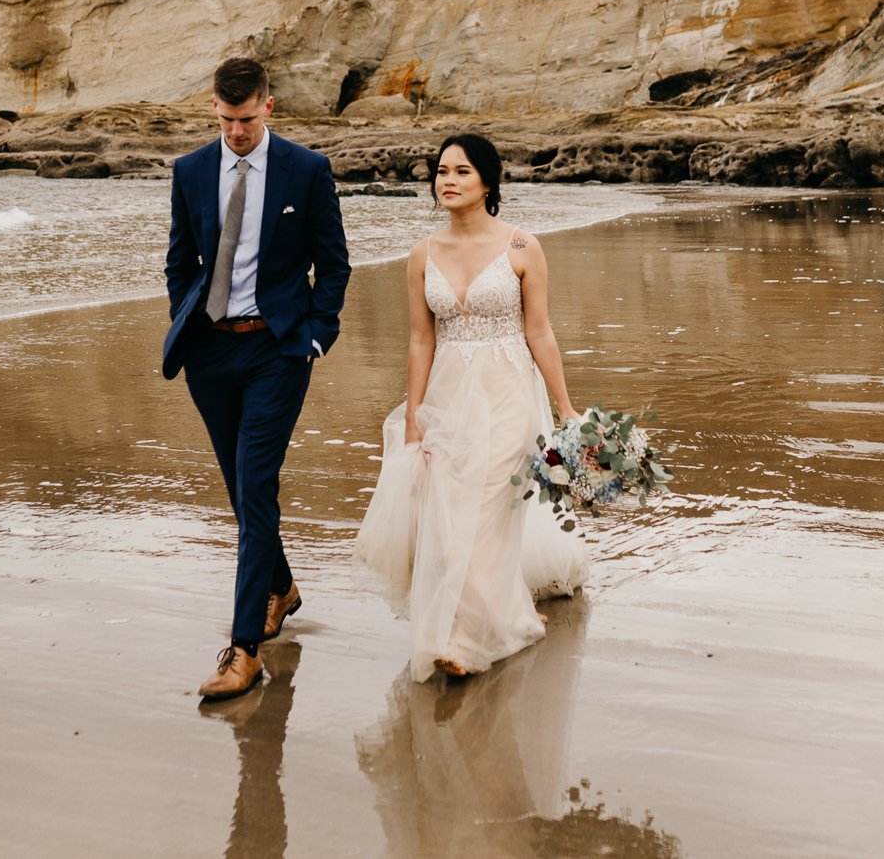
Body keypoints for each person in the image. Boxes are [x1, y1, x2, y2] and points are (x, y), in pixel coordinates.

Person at [353, 132, 589, 682]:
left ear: (488, 182)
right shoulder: (422, 254)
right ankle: (491, 617)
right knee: (448, 508)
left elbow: (539, 332)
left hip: (509, 393)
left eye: (462, 171)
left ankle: (467, 639)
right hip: (447, 397)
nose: (449, 181)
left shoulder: (522, 247)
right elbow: (420, 341)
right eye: (442, 171)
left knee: (484, 506)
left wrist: (565, 407)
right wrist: (414, 415)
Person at [164, 57, 350, 702]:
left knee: (255, 485)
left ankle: (244, 650)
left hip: (277, 350)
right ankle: (281, 586)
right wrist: (186, 322)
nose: (236, 132)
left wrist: (316, 335)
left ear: (268, 106)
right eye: (225, 120)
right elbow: (180, 260)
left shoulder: (307, 169)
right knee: (241, 490)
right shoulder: (190, 170)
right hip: (210, 353)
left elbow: (333, 264)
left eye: (245, 119)